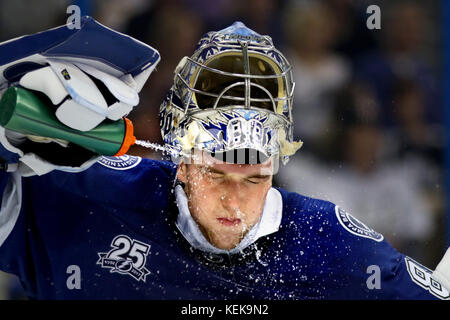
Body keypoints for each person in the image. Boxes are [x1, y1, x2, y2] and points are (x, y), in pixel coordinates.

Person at [0, 17, 449, 300]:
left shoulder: (332, 245)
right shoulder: (91, 194)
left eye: (255, 180)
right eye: (216, 174)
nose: (235, 203)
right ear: (178, 159)